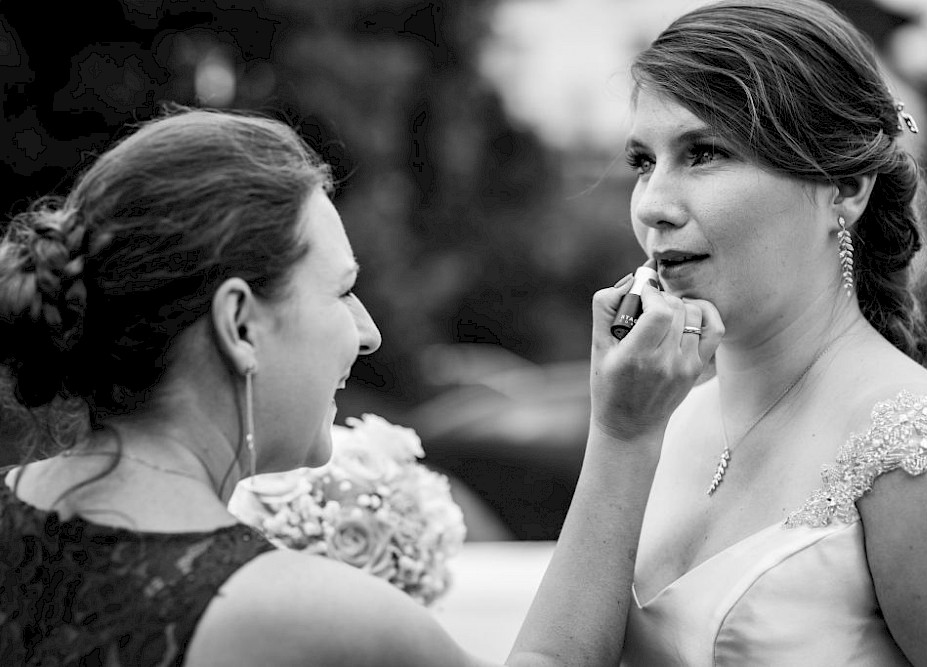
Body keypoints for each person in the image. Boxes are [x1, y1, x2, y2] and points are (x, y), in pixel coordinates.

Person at [0, 106, 722, 666]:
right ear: (239, 323)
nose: (368, 329)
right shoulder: (299, 613)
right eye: (343, 290)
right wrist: (624, 434)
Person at [618, 0, 927, 664]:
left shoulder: (920, 458)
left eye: (703, 152)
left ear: (845, 188)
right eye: (643, 162)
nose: (653, 205)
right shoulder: (663, 414)